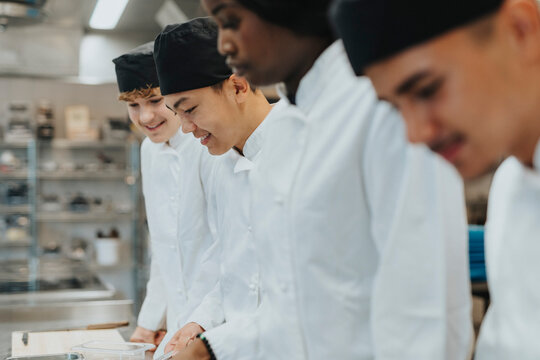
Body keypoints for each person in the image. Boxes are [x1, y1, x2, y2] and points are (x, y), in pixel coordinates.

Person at [170, 1, 472, 359]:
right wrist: (211, 347)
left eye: (231, 21)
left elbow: (426, 307)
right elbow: (294, 306)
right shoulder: (283, 129)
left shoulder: (380, 106)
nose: (224, 45)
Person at [331, 0, 540, 358]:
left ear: (521, 29)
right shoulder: (511, 186)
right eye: (396, 107)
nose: (415, 133)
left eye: (427, 90)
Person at [152, 18, 275, 358]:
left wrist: (212, 348)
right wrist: (200, 324)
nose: (187, 128)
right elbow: (233, 271)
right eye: (178, 114)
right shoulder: (223, 165)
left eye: (190, 109)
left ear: (238, 87)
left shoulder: (302, 152)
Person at [112, 42, 220, 354]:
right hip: (178, 321)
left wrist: (200, 320)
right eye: (133, 105)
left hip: (216, 321)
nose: (145, 117)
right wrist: (148, 322)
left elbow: (225, 249)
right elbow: (163, 245)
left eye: (155, 100)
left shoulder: (209, 145)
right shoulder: (150, 150)